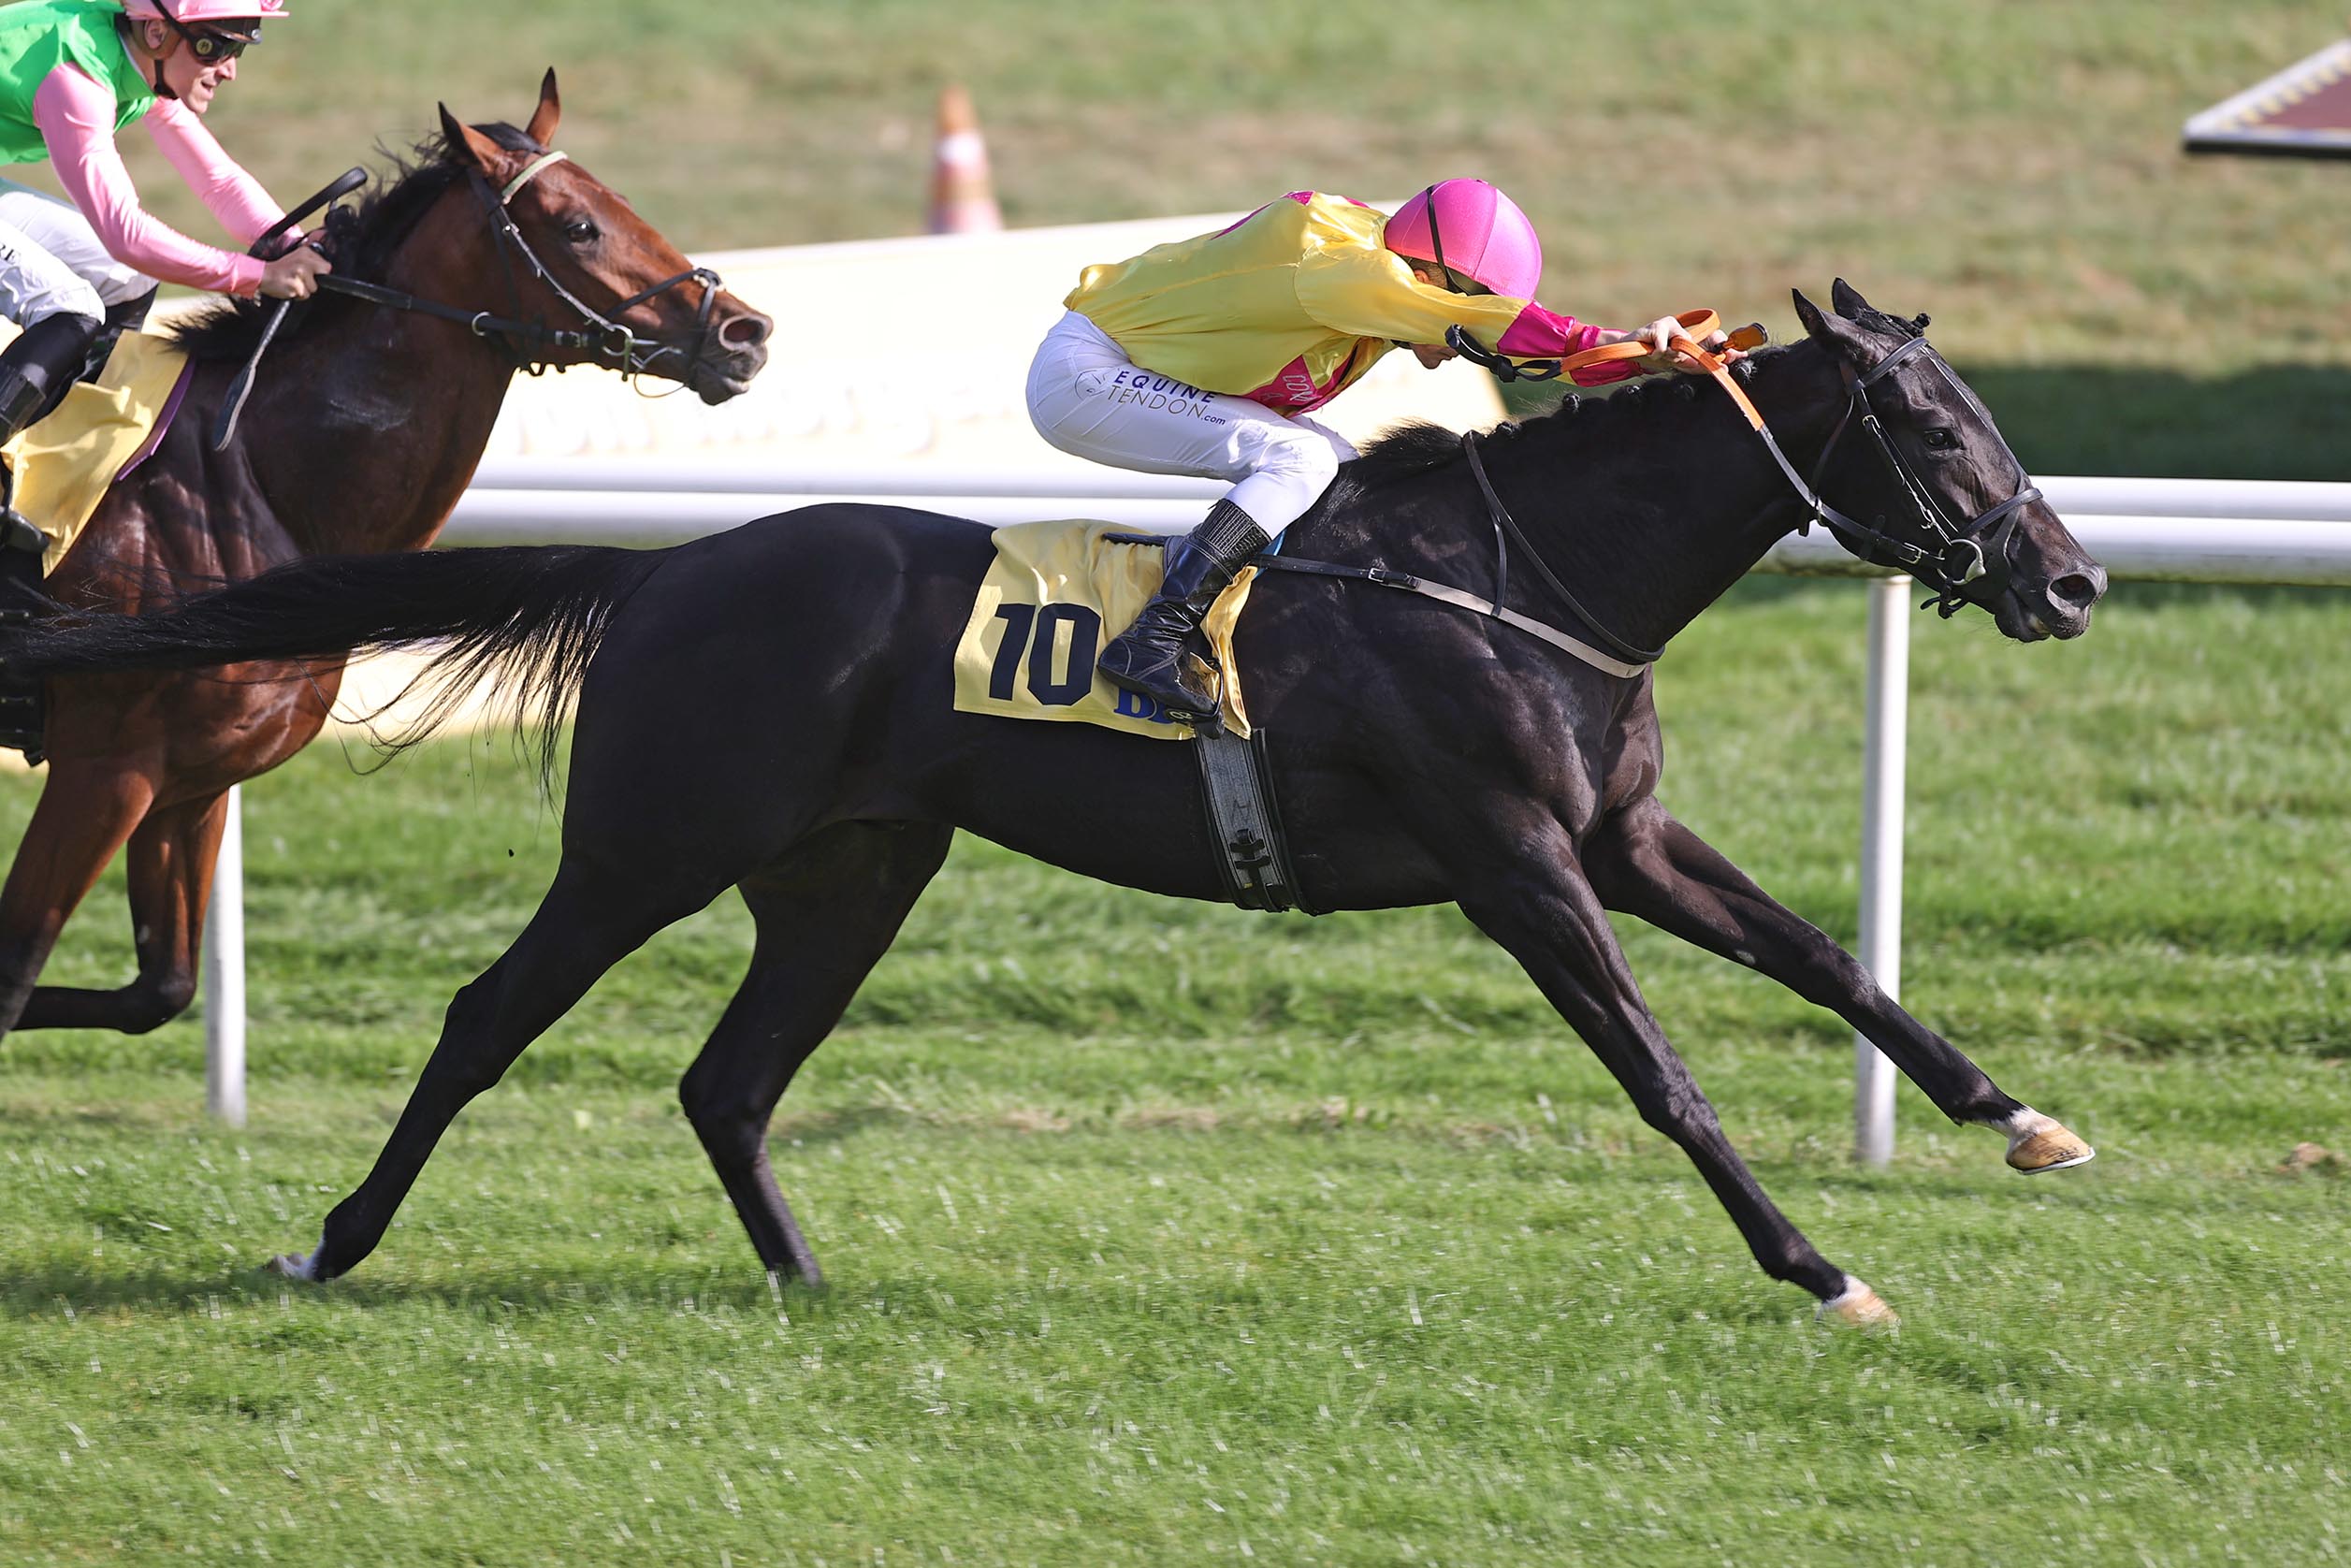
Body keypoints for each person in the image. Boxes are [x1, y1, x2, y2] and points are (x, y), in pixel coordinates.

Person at [1027, 179, 1735, 722]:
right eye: (1456, 300)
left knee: (1341, 472)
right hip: (1088, 374)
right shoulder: (1346, 273)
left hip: (1125, 366)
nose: (1453, 336)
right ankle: (1154, 637)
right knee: (1301, 462)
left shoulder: (1373, 272)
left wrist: (1629, 359)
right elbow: (1483, 321)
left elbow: (1474, 320)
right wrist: (1628, 347)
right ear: (1423, 278)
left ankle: (1275, 637)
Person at [0, 0, 327, 576]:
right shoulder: (76, 77)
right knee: (72, 304)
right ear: (157, 32)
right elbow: (125, 232)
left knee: (127, 281)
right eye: (217, 47)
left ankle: (55, 459)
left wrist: (294, 245)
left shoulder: (139, 56)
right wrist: (257, 275)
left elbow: (218, 180)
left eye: (239, 47)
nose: (229, 69)